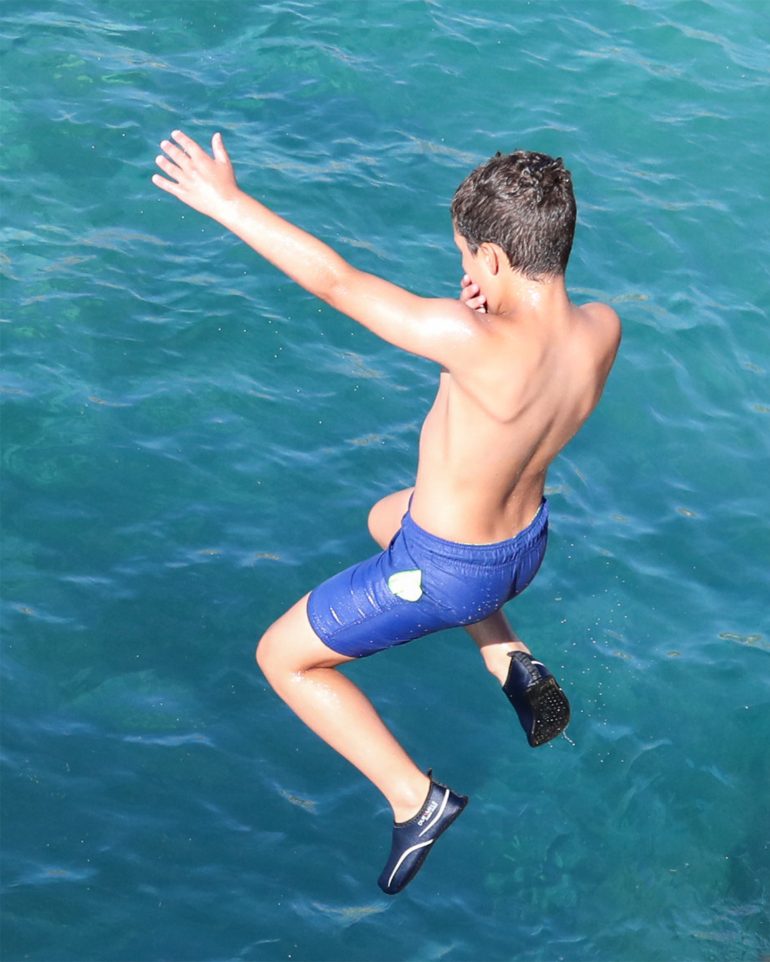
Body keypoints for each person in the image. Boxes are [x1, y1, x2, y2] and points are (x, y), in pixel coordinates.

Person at [152, 131, 621, 895]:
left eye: (468, 258)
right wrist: (489, 313)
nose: (466, 271)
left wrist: (227, 203)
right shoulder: (602, 329)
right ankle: (510, 658)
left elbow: (336, 281)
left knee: (282, 659)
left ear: (492, 259)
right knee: (384, 516)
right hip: (523, 545)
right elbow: (510, 386)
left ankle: (415, 798)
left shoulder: (466, 340)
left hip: (448, 572)